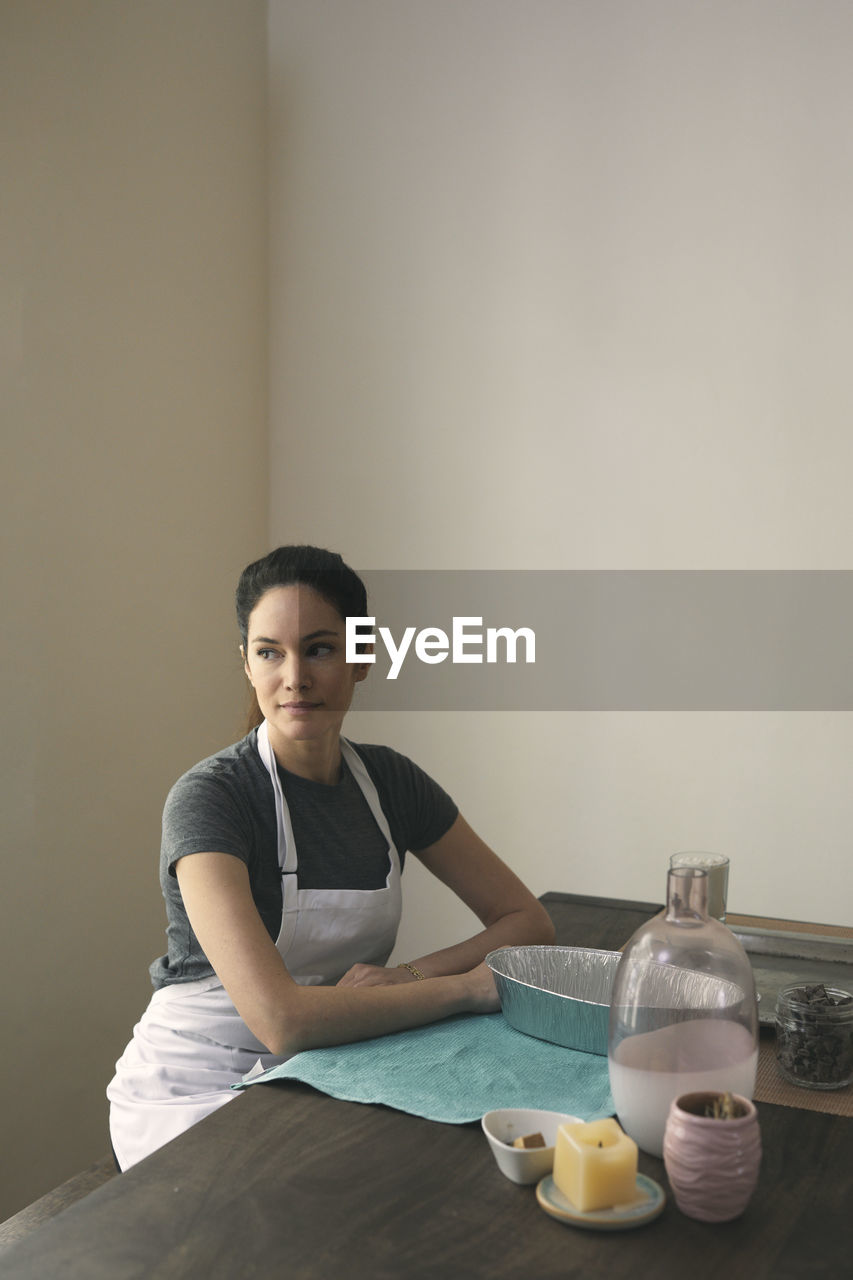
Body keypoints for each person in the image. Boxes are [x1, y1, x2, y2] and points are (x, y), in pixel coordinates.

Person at [107, 545, 555, 1170]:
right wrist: (465, 990)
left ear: (363, 656)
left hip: (327, 1068)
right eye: (270, 653)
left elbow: (526, 921)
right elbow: (280, 1020)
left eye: (319, 648)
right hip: (191, 1091)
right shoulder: (211, 798)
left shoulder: (393, 783)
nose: (295, 677)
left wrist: (412, 975)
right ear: (246, 664)